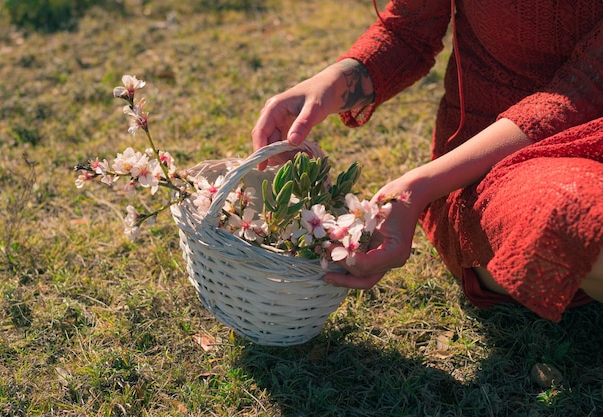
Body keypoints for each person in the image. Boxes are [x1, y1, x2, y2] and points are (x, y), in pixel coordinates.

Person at [251, 0, 603, 322]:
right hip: (486, 169)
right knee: (579, 210)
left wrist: (419, 185)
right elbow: (408, 31)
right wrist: (330, 85)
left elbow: (585, 89)